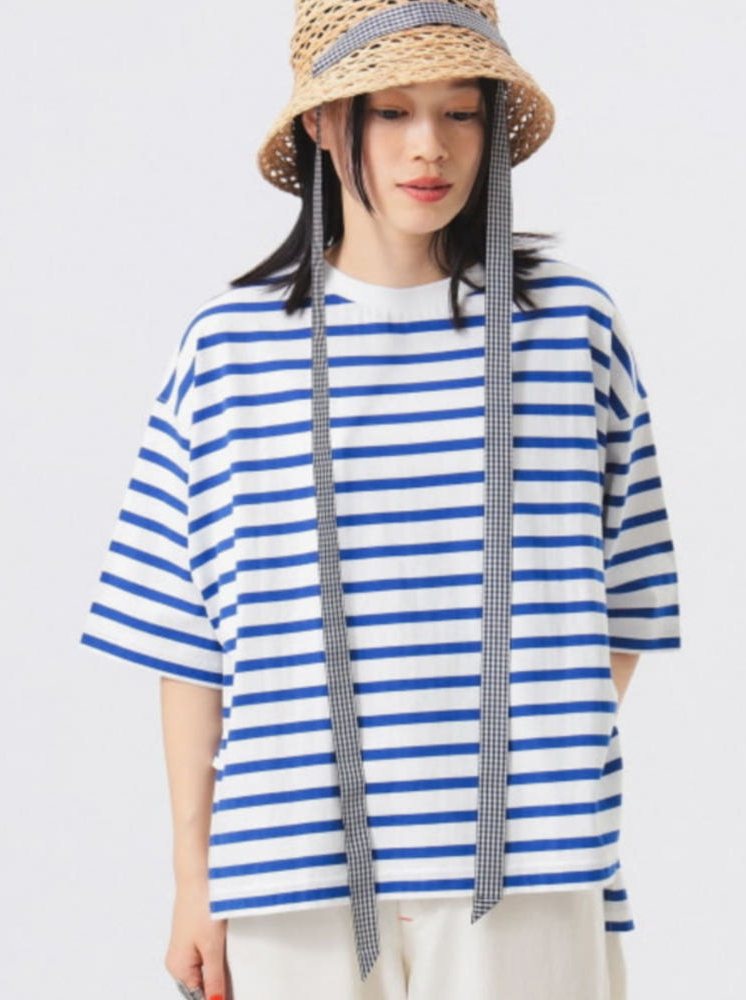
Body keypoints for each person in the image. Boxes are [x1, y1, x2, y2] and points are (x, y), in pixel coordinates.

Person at [80, 2, 681, 998]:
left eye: (460, 112)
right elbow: (186, 640)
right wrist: (194, 878)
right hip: (290, 869)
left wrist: (523, 763)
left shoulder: (570, 329)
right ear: (322, 124)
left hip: (528, 868)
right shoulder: (229, 350)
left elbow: (629, 597)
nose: (428, 146)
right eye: (391, 111)